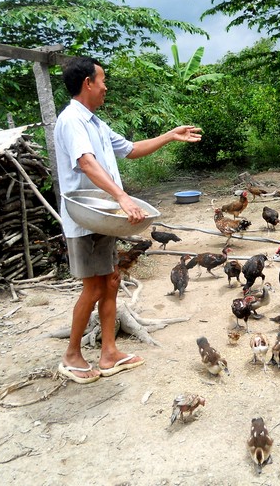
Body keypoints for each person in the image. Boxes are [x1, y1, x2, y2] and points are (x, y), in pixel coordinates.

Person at [54, 56, 202, 383]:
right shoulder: (71, 120)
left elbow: (131, 149)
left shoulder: (95, 122)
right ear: (87, 83)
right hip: (85, 219)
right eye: (102, 80)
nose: (106, 87)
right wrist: (122, 197)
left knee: (110, 281)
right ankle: (72, 355)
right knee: (93, 288)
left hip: (104, 218)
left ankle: (109, 353)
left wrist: (169, 135)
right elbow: (86, 163)